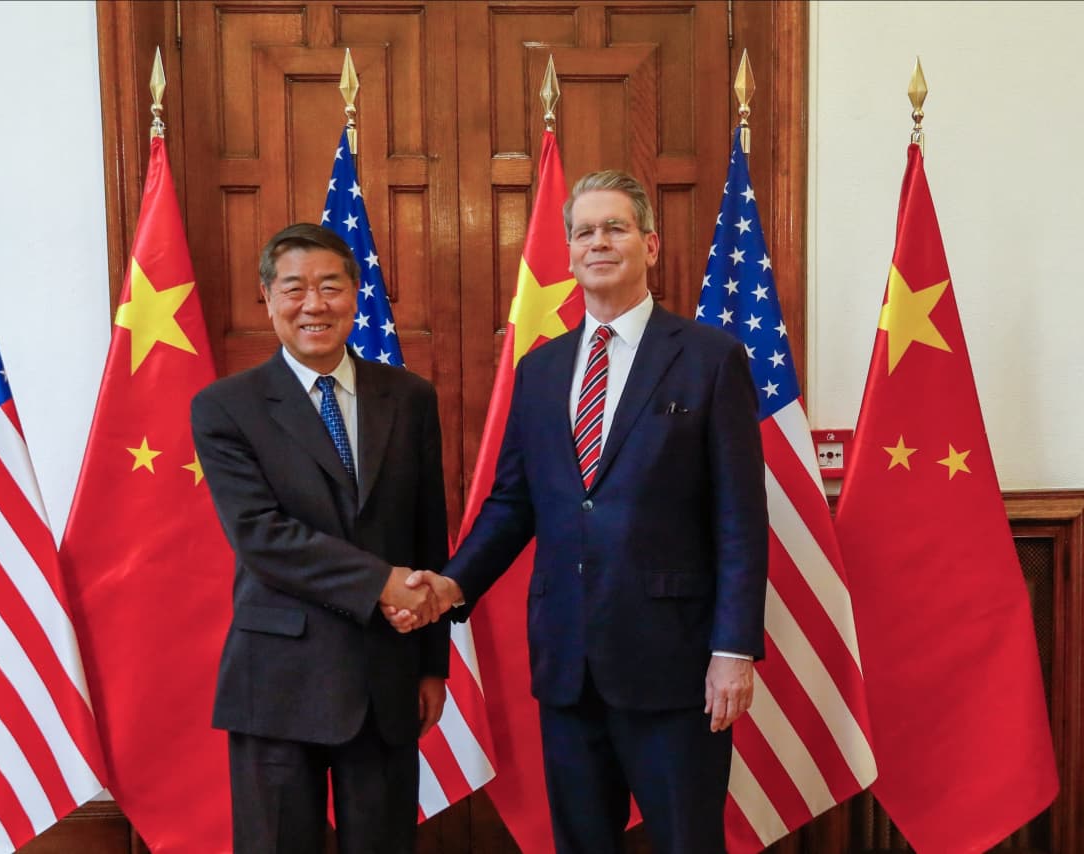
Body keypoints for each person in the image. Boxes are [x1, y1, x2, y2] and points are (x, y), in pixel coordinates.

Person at [388, 171, 769, 852]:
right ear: (568, 253)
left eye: (615, 228)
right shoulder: (539, 370)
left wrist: (733, 651)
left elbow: (740, 518)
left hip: (676, 666)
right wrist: (450, 585)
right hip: (568, 663)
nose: (598, 242)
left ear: (650, 245)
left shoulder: (710, 359)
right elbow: (513, 503)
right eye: (584, 232)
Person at [191, 222, 449, 853]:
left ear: (356, 294)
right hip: (279, 681)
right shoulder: (226, 407)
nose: (314, 304)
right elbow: (261, 536)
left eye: (331, 286)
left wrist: (431, 665)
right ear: (267, 297)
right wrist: (381, 582)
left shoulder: (409, 398)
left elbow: (427, 534)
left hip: (386, 677)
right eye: (295, 288)